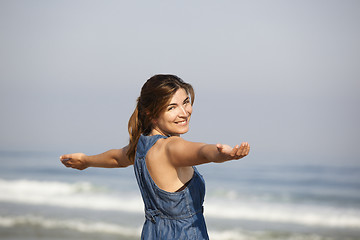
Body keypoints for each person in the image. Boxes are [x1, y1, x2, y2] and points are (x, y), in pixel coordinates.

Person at [60, 74, 250, 239]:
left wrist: (86, 161)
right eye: (172, 107)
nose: (184, 113)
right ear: (151, 113)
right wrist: (222, 154)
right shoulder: (170, 147)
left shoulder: (140, 146)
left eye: (185, 102)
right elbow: (201, 152)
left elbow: (117, 158)